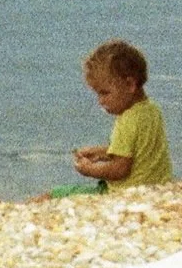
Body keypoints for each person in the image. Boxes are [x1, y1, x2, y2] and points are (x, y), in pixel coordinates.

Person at [71, 40, 171, 186]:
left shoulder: (127, 120)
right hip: (157, 188)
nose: (100, 101)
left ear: (130, 84)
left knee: (50, 196)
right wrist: (100, 153)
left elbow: (120, 169)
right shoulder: (152, 110)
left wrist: (89, 169)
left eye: (104, 93)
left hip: (130, 190)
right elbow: (136, 153)